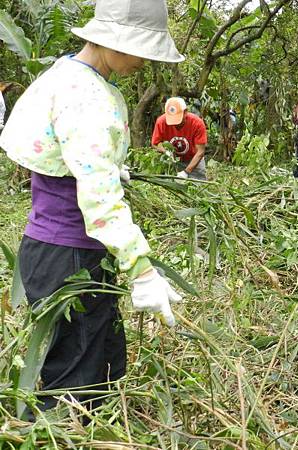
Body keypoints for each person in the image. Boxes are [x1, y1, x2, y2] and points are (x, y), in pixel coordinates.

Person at [0, 0, 184, 416]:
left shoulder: (68, 73)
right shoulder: (88, 98)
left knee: (97, 361)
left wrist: (109, 167)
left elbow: (65, 158)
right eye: (141, 49)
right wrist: (142, 270)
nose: (143, 61)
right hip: (71, 256)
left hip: (57, 251)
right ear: (111, 41)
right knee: (72, 388)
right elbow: (99, 201)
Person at [152, 97, 208, 180]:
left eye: (178, 120)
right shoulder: (161, 122)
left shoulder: (197, 123)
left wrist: (186, 172)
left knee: (198, 186)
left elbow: (200, 151)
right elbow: (155, 143)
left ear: (185, 112)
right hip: (172, 161)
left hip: (193, 159)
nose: (175, 124)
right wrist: (165, 152)